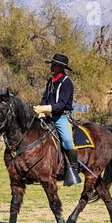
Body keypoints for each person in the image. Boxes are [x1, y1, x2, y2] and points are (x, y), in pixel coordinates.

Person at [33, 53, 81, 185]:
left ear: (61, 67)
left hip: (61, 117)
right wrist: (41, 110)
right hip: (49, 116)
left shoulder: (67, 83)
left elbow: (60, 105)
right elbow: (44, 98)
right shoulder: (50, 82)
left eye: (54, 65)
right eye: (52, 65)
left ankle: (73, 169)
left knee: (66, 140)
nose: (51, 67)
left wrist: (45, 109)